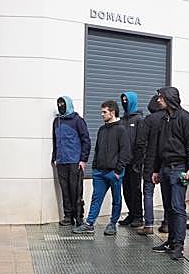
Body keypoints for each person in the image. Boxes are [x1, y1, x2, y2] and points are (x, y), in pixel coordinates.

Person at [147, 87, 189, 261]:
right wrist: (156, 169)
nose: (158, 100)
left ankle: (179, 245)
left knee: (177, 207)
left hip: (179, 167)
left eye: (161, 97)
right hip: (165, 167)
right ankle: (171, 241)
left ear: (169, 98)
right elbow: (157, 146)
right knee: (168, 207)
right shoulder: (163, 119)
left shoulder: (186, 119)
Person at [75, 101, 132, 235]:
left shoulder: (121, 129)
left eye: (104, 112)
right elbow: (97, 149)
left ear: (112, 112)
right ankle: (89, 224)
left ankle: (112, 224)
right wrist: (95, 167)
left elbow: (125, 152)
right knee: (96, 198)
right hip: (99, 172)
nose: (102, 114)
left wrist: (118, 171)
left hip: (114, 172)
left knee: (116, 199)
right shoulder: (102, 129)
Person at [52, 95, 90, 226]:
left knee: (76, 190)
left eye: (63, 104)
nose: (61, 106)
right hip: (61, 162)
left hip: (75, 162)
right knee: (65, 190)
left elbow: (86, 140)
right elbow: (55, 140)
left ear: (68, 104)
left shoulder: (78, 120)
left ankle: (78, 217)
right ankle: (68, 216)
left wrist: (83, 159)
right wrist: (55, 157)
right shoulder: (57, 121)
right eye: (59, 104)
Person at [133, 95, 165, 236]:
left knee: (148, 193)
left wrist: (138, 161)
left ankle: (149, 224)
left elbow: (140, 142)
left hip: (150, 161)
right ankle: (167, 223)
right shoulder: (169, 118)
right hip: (166, 160)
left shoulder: (149, 120)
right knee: (168, 193)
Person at [118, 91, 146, 227]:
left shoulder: (140, 120)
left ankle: (138, 216)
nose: (124, 103)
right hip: (124, 162)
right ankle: (131, 213)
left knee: (135, 189)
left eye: (126, 100)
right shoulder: (121, 120)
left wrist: (138, 161)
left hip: (135, 162)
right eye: (123, 100)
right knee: (126, 189)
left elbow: (141, 143)